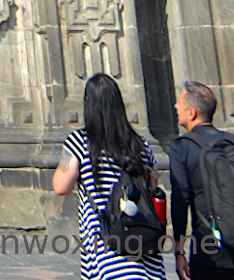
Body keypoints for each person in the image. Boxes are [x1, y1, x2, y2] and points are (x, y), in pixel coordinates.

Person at [52, 71, 164, 280]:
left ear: (88, 102)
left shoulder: (80, 142)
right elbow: (153, 185)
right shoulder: (140, 144)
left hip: (108, 253)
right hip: (146, 254)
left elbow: (61, 187)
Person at [170, 79, 234, 280]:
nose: (175, 106)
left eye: (179, 103)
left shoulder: (181, 147)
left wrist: (179, 250)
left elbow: (180, 200)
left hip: (209, 257)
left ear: (191, 113)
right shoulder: (232, 142)